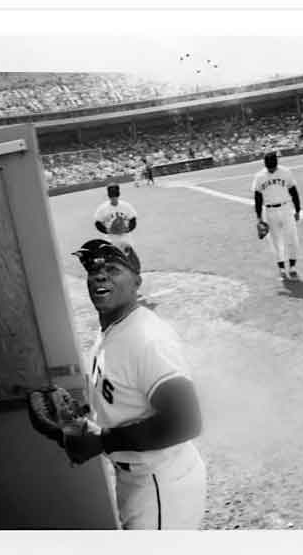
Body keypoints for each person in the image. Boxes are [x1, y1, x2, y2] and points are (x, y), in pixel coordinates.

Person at [66, 239, 207, 530]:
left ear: (137, 283)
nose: (100, 275)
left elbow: (185, 422)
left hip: (159, 483)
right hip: (138, 479)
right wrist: (76, 420)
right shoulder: (114, 329)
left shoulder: (147, 339)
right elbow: (120, 401)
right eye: (93, 270)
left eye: (114, 269)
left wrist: (102, 441)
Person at [251, 150, 302, 280]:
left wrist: (297, 210)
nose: (271, 169)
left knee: (292, 239)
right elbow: (257, 198)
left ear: (277, 163)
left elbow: (294, 191)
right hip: (270, 211)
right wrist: (259, 217)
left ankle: (292, 267)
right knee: (276, 241)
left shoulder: (286, 172)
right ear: (265, 165)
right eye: (269, 167)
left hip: (286, 208)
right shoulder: (259, 176)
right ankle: (281, 269)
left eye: (273, 166)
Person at [93, 184, 137, 251]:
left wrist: (128, 229)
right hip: (110, 239)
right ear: (109, 196)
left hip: (126, 238)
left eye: (115, 195)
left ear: (118, 195)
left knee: (129, 258)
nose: (113, 198)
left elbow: (133, 220)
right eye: (111, 196)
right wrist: (107, 230)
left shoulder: (126, 206)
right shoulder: (103, 208)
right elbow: (97, 222)